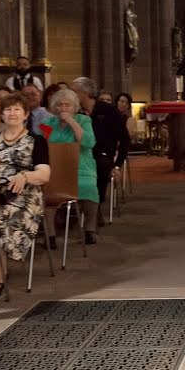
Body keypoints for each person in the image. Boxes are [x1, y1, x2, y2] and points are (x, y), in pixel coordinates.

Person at [0, 93, 50, 299]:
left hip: (25, 194)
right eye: (7, 109)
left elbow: (44, 174)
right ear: (1, 115)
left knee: (3, 216)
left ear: (25, 114)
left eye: (16, 109)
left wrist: (25, 175)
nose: (12, 113)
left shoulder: (36, 140)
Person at [41, 89, 99, 246]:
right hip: (57, 169)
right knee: (48, 192)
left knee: (88, 187)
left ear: (75, 107)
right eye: (59, 105)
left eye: (67, 105)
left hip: (82, 168)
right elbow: (43, 146)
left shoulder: (84, 120)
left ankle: (90, 229)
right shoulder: (47, 123)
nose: (63, 109)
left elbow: (88, 143)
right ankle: (51, 235)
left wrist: (72, 122)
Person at [71, 77, 129, 224]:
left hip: (101, 156)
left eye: (74, 91)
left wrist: (117, 165)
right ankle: (70, 207)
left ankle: (94, 206)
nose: (70, 95)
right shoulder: (74, 112)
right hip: (79, 155)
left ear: (84, 93)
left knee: (101, 165)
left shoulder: (109, 111)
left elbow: (124, 139)